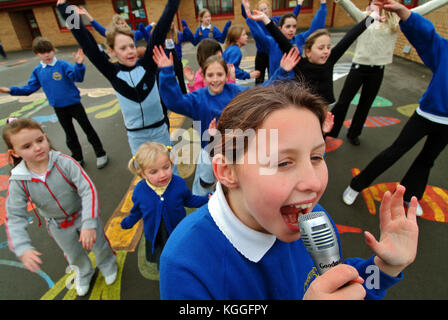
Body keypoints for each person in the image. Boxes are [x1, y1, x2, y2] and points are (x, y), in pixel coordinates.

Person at [159, 81, 419, 299]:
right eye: (283, 162)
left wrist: (383, 269)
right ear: (227, 171)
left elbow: (342, 284)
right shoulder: (186, 264)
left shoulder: (312, 217)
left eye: (317, 157)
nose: (314, 183)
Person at [342, 0, 448, 217]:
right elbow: (425, 35)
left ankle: (410, 195)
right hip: (427, 113)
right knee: (395, 151)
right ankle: (357, 184)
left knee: (427, 160)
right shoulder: (443, 49)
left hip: (445, 124)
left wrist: (402, 12)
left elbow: (419, 13)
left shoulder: (391, 23)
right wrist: (403, 11)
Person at [154, 46, 299, 196]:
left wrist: (282, 71)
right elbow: (174, 102)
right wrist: (166, 73)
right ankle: (204, 211)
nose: (215, 79)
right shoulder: (197, 99)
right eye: (210, 75)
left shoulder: (235, 92)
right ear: (203, 76)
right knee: (203, 189)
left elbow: (262, 93)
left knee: (234, 189)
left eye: (219, 74)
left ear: (226, 75)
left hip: (235, 151)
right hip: (209, 152)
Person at [4, 118, 117, 297]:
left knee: (99, 243)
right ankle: (84, 273)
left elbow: (88, 190)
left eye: (40, 140)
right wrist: (22, 246)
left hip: (83, 213)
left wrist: (88, 223)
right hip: (57, 224)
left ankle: (108, 264)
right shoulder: (19, 180)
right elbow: (14, 215)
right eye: (27, 146)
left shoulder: (64, 162)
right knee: (73, 253)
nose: (37, 147)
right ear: (14, 153)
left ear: (45, 137)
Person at [56, 0, 179, 156]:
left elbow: (161, 28)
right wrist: (65, 10)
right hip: (136, 137)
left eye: (131, 46)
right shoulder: (111, 71)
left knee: (169, 168)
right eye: (122, 48)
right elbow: (87, 43)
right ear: (112, 51)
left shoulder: (148, 64)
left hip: (160, 131)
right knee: (146, 174)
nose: (130, 51)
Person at [327, 0, 448, 146]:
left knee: (365, 104)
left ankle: (354, 133)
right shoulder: (364, 18)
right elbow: (345, 3)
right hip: (358, 68)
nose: (379, 3)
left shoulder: (395, 20)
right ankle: (330, 132)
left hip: (377, 70)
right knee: (343, 102)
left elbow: (425, 8)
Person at [0, 37, 108, 169]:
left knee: (88, 130)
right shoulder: (38, 71)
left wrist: (79, 65)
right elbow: (29, 89)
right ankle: (77, 157)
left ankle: (100, 153)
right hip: (59, 108)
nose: (47, 54)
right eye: (42, 52)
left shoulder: (62, 65)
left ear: (53, 50)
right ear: (37, 54)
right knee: (70, 135)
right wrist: (11, 90)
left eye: (49, 51)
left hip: (74, 105)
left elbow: (77, 77)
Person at [246, 1, 376, 106]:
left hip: (323, 106)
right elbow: (280, 38)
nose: (326, 51)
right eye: (320, 48)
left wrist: (371, 18)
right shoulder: (299, 63)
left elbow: (350, 37)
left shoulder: (330, 59)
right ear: (307, 51)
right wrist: (264, 18)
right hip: (305, 107)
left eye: (328, 47)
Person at [120, 142, 209, 270]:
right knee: (162, 259)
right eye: (153, 172)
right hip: (157, 236)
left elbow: (189, 200)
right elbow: (137, 211)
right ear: (143, 174)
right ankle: (166, 270)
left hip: (177, 229)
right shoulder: (140, 191)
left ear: (171, 163)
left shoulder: (178, 184)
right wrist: (128, 222)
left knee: (182, 251)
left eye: (166, 167)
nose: (162, 174)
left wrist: (207, 199)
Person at [243, 0, 328, 80]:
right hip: (276, 87)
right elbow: (258, 35)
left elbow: (315, 29)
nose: (291, 30)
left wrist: (323, 5)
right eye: (288, 27)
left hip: (294, 88)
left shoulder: (299, 39)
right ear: (280, 28)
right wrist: (248, 13)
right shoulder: (272, 42)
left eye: (294, 26)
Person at [240, 0, 304, 84]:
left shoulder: (275, 20)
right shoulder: (257, 21)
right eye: (261, 10)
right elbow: (246, 15)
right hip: (262, 54)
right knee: (259, 78)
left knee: (274, 76)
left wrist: (299, 4)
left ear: (269, 9)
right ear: (257, 12)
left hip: (273, 52)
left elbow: (291, 17)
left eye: (265, 9)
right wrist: (244, 5)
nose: (263, 11)